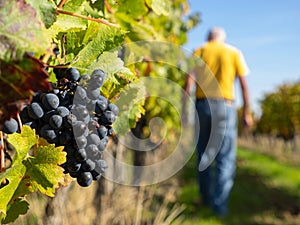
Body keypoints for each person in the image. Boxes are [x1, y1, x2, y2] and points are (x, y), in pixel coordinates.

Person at [183, 27, 253, 216]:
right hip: (225, 107)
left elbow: (188, 83)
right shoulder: (233, 52)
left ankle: (205, 199)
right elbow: (244, 86)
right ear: (223, 39)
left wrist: (183, 109)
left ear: (208, 38)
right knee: (225, 158)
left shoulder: (199, 50)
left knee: (204, 156)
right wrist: (247, 112)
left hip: (202, 106)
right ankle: (219, 207)